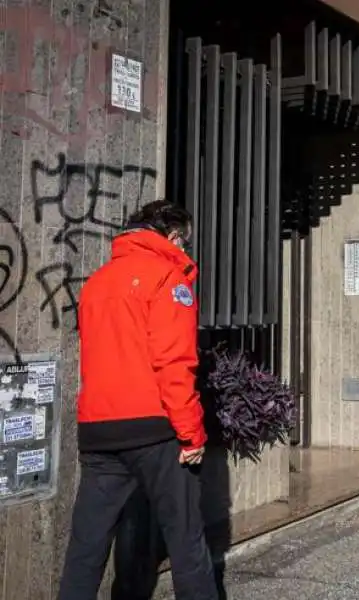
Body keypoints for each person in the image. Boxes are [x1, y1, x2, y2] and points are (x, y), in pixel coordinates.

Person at [57, 200, 218, 600]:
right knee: (186, 541)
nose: (187, 251)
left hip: (98, 431)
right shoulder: (168, 279)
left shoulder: (97, 282)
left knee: (86, 548)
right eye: (186, 242)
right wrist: (192, 435)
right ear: (174, 235)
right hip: (156, 430)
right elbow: (174, 363)